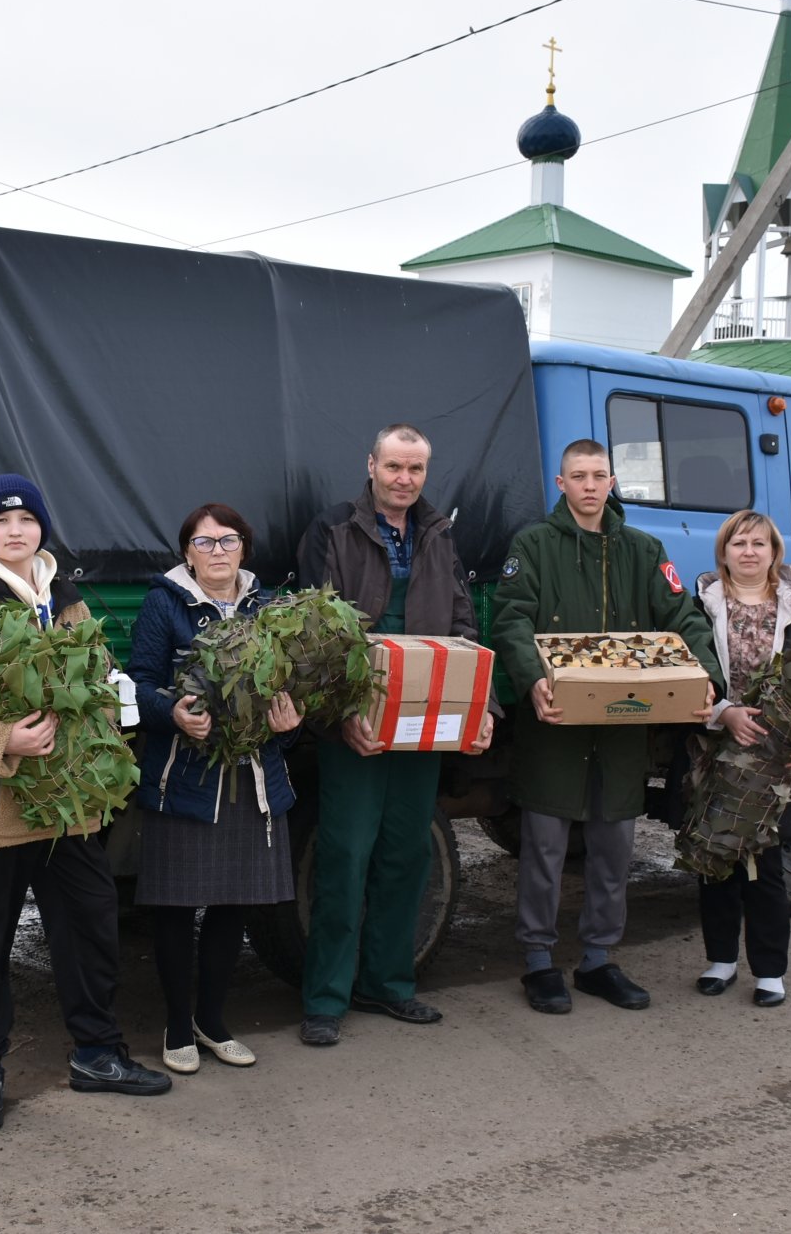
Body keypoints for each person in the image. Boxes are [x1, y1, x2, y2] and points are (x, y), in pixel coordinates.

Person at [0, 473, 172, 1134]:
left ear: (41, 528)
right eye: (2, 522)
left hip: (66, 810)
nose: (15, 530)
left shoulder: (66, 600)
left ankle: (97, 1052)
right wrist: (5, 738)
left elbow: (95, 683)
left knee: (91, 924)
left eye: (27, 519)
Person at [491, 438, 723, 1017]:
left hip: (622, 727)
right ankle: (539, 962)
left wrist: (707, 677)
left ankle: (598, 959)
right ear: (560, 483)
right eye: (579, 476)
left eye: (599, 475)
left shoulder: (644, 551)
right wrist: (531, 681)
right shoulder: (533, 545)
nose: (590, 486)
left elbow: (682, 617)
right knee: (543, 849)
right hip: (556, 724)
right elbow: (513, 618)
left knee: (613, 848)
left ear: (613, 481)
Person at [294, 423, 495, 1047]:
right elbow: (310, 634)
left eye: (416, 470)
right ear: (371, 466)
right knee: (345, 856)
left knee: (406, 854)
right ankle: (326, 998)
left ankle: (389, 984)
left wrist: (478, 708)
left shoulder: (439, 533)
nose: (404, 480)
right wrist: (339, 716)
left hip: (425, 719)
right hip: (356, 720)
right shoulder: (332, 529)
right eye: (394, 468)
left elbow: (463, 624)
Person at [127, 504, 302, 1074]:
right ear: (188, 553)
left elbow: (292, 689)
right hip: (184, 778)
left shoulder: (270, 608)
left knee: (234, 903)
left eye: (228, 541)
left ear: (244, 548)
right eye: (204, 543)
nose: (218, 552)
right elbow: (139, 685)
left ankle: (212, 1019)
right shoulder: (164, 604)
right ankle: (178, 1025)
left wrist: (289, 722)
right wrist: (173, 713)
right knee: (177, 906)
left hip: (250, 780)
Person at [685, 509, 791, 1009]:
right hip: (718, 745)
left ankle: (770, 971)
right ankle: (721, 960)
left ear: (774, 553)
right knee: (717, 858)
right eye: (739, 543)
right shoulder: (702, 605)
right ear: (723, 552)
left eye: (759, 544)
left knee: (764, 864)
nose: (749, 551)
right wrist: (725, 713)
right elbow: (688, 671)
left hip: (779, 752)